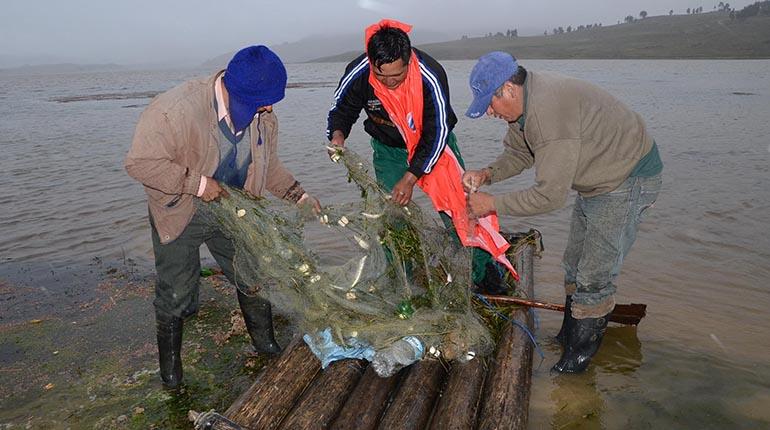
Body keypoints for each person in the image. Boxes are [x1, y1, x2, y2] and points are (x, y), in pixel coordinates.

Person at [125, 45, 320, 389]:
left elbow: (268, 167)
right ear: (237, 91)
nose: (270, 108)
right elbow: (140, 164)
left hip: (234, 206)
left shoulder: (263, 117)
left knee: (252, 273)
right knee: (177, 294)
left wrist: (299, 196)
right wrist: (199, 184)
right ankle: (171, 376)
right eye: (263, 101)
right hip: (180, 209)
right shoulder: (175, 110)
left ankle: (265, 344)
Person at [463, 52, 662, 373]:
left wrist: (493, 203)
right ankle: (570, 336)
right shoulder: (523, 108)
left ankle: (576, 365)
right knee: (573, 265)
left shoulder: (548, 113)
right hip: (598, 180)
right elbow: (518, 153)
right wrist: (487, 174)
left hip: (628, 177)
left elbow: (550, 196)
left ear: (509, 90)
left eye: (489, 103)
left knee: (593, 277)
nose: (488, 112)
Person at [326, 19, 514, 291]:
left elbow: (437, 133)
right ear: (371, 63)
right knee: (393, 216)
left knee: (461, 209)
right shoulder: (359, 72)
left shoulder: (430, 75)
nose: (389, 83)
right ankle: (402, 276)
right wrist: (338, 135)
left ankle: (484, 274)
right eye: (382, 77)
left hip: (434, 148)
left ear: (408, 60)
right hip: (389, 149)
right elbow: (341, 109)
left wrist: (412, 176)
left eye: (397, 77)